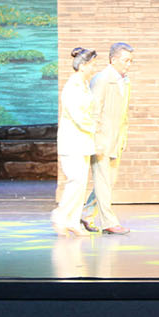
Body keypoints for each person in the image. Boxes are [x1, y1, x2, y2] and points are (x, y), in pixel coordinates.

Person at [81, 42, 133, 235]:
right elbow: (93, 112)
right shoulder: (102, 79)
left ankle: (86, 214)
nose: (129, 65)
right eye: (126, 60)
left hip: (115, 139)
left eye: (131, 61)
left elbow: (123, 114)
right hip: (101, 140)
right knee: (103, 182)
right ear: (113, 60)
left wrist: (123, 137)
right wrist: (95, 140)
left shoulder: (124, 81)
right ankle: (108, 222)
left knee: (108, 182)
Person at [50, 47, 101, 237]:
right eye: (92, 64)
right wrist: (96, 128)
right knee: (75, 181)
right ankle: (60, 216)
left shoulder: (83, 85)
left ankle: (72, 221)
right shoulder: (72, 86)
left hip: (83, 142)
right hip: (72, 141)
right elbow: (78, 116)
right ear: (83, 66)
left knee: (81, 183)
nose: (94, 68)